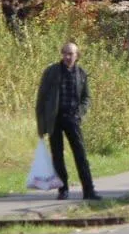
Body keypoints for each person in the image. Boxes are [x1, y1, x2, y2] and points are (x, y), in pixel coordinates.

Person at [35, 41, 99, 200]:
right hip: (54, 119)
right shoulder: (51, 72)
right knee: (57, 156)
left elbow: (86, 98)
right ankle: (63, 190)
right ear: (62, 54)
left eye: (71, 54)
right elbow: (41, 98)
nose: (68, 57)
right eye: (65, 53)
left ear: (77, 56)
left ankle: (89, 191)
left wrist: (80, 112)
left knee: (80, 155)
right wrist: (41, 125)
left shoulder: (81, 74)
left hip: (73, 118)